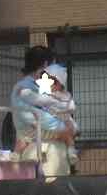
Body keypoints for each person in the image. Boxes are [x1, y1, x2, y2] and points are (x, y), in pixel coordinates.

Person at [10, 46, 78, 177]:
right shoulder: (24, 88)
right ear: (46, 64)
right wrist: (66, 127)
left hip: (51, 150)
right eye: (53, 65)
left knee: (54, 193)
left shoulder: (45, 87)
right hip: (40, 150)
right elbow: (34, 117)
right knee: (47, 193)